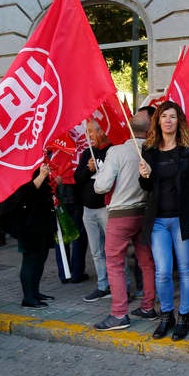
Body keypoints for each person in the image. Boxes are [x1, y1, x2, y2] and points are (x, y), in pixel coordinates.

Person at [139, 101, 189, 341]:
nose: (168, 120)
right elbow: (146, 186)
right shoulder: (148, 149)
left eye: (173, 116)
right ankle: (166, 316)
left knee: (186, 269)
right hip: (158, 220)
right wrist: (145, 176)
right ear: (157, 121)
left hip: (183, 218)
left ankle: (184, 316)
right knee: (163, 272)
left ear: (179, 121)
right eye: (164, 116)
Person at [92, 107, 158, 331]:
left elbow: (102, 186)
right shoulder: (153, 150)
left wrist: (98, 175)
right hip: (145, 212)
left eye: (138, 114)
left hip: (121, 214)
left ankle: (119, 313)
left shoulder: (117, 151)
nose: (134, 115)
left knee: (114, 263)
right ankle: (148, 306)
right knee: (146, 261)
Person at [3, 162, 56, 308]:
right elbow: (24, 193)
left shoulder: (38, 162)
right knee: (30, 259)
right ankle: (28, 297)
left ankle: (35, 292)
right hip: (28, 222)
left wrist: (52, 180)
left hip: (42, 219)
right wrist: (42, 176)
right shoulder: (20, 164)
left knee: (41, 258)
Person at [76, 120, 113, 302]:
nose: (88, 135)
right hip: (88, 210)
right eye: (87, 131)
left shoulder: (112, 151)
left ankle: (121, 286)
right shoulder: (86, 153)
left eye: (91, 131)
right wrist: (87, 169)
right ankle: (102, 285)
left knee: (113, 249)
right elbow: (77, 178)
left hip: (106, 209)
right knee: (96, 251)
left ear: (101, 131)